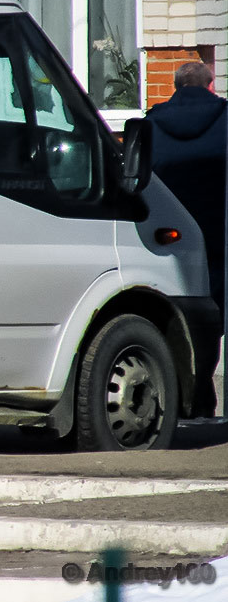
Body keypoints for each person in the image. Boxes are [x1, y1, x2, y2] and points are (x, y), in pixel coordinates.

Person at [146, 60, 226, 413]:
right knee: (214, 317)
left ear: (175, 87)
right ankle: (203, 396)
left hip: (168, 240)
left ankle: (186, 397)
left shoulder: (150, 123)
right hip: (220, 236)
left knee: (178, 318)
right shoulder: (225, 118)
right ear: (211, 86)